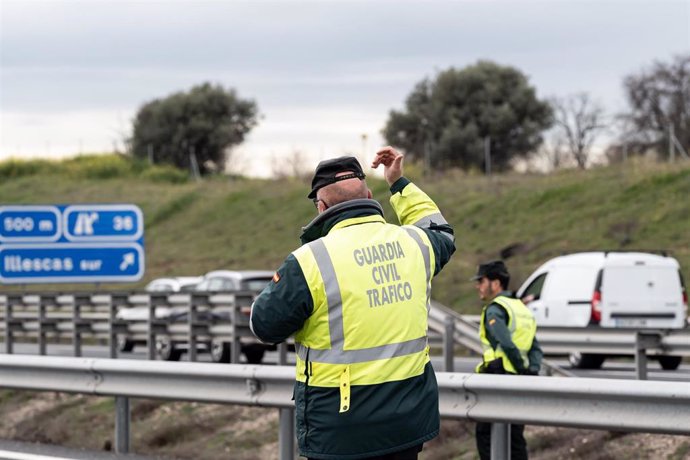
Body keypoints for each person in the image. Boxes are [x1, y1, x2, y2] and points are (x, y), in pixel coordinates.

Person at [250, 146, 456, 460]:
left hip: (340, 428)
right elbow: (440, 230)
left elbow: (264, 325)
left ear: (321, 207)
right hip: (406, 425)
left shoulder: (310, 261)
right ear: (369, 194)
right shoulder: (416, 244)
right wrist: (399, 184)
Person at [471, 260, 543, 460]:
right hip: (519, 380)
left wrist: (519, 368)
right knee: (515, 437)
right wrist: (530, 372)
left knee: (486, 434)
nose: (478, 285)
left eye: (481, 281)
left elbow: (507, 344)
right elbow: (535, 348)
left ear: (495, 284)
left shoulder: (495, 309)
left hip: (498, 378)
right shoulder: (520, 308)